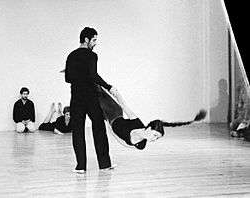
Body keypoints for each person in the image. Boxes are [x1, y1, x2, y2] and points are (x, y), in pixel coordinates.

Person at [65, 27, 118, 173]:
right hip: (91, 97)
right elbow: (93, 76)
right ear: (86, 39)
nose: (95, 43)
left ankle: (80, 166)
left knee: (78, 131)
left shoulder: (71, 55)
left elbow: (67, 78)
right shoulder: (92, 56)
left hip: (76, 98)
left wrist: (77, 73)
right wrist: (109, 86)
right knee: (99, 128)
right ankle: (105, 164)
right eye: (94, 40)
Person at [97, 86, 207, 149]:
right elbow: (125, 106)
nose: (154, 139)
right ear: (149, 128)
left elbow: (122, 142)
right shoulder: (137, 123)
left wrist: (108, 126)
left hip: (108, 120)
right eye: (155, 135)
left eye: (157, 138)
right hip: (114, 112)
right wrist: (116, 93)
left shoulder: (141, 145)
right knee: (97, 91)